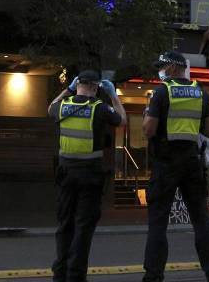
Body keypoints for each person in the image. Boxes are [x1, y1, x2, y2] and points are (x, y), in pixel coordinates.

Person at [142, 51, 209, 282]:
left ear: (174, 67)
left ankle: (153, 276)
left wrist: (148, 112)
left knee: (158, 221)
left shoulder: (161, 93)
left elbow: (148, 130)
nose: (161, 70)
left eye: (164, 66)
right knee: (200, 219)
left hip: (165, 162)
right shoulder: (201, 93)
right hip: (190, 161)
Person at [48, 69, 125, 282]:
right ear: (96, 86)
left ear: (78, 84)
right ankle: (76, 275)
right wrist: (113, 95)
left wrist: (67, 90)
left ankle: (60, 273)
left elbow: (49, 108)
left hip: (65, 173)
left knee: (65, 225)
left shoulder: (63, 106)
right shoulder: (99, 108)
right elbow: (122, 120)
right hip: (90, 175)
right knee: (83, 227)